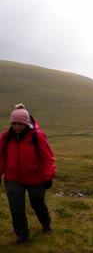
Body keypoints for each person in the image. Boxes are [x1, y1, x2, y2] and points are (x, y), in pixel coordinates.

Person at [0, 103, 56, 244]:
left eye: (20, 124)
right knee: (16, 208)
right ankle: (22, 234)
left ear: (26, 123)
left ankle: (46, 224)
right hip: (13, 178)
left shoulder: (37, 136)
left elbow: (47, 157)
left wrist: (48, 177)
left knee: (37, 203)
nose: (17, 127)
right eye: (14, 123)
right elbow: (1, 158)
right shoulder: (5, 137)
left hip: (35, 178)